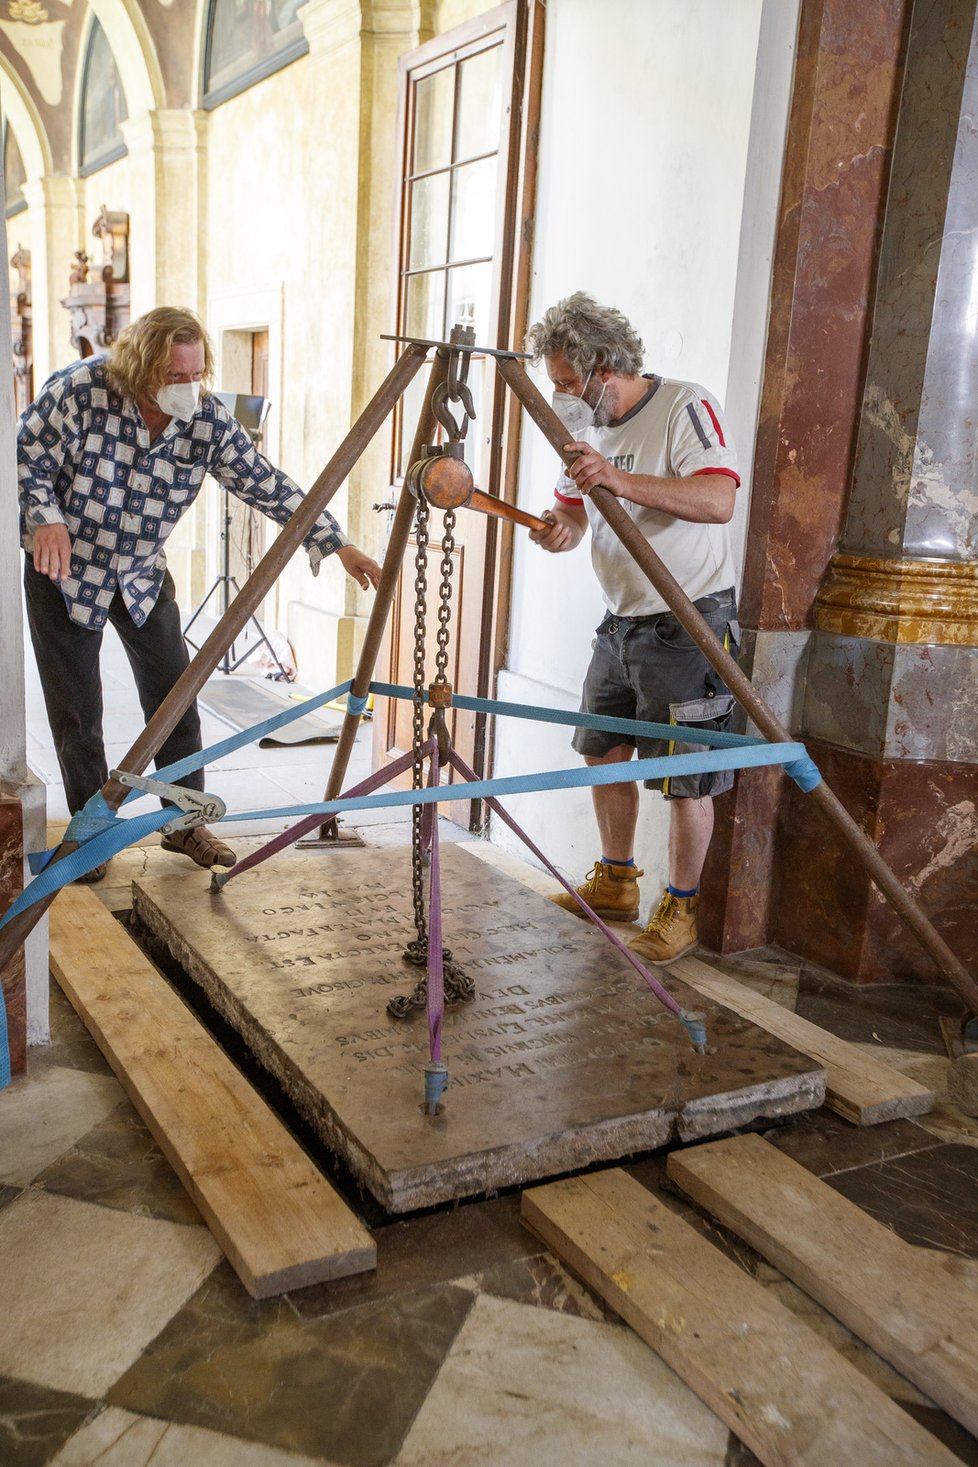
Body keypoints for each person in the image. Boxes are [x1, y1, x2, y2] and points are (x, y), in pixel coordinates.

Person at [19, 306, 382, 880]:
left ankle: (184, 822)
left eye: (194, 375)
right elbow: (25, 454)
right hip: (65, 570)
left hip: (140, 573)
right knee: (77, 712)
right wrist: (45, 517)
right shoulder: (80, 392)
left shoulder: (206, 421)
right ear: (140, 369)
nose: (187, 388)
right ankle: (92, 838)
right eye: (174, 377)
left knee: (175, 697)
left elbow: (262, 481)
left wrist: (337, 545)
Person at [526, 292, 741, 963]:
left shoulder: (685, 405)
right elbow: (574, 519)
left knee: (686, 776)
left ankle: (680, 907)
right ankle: (616, 882)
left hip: (687, 621)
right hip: (621, 620)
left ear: (602, 368)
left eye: (565, 381)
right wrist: (553, 528)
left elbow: (718, 497)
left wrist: (619, 479)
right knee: (601, 746)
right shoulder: (586, 429)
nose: (559, 394)